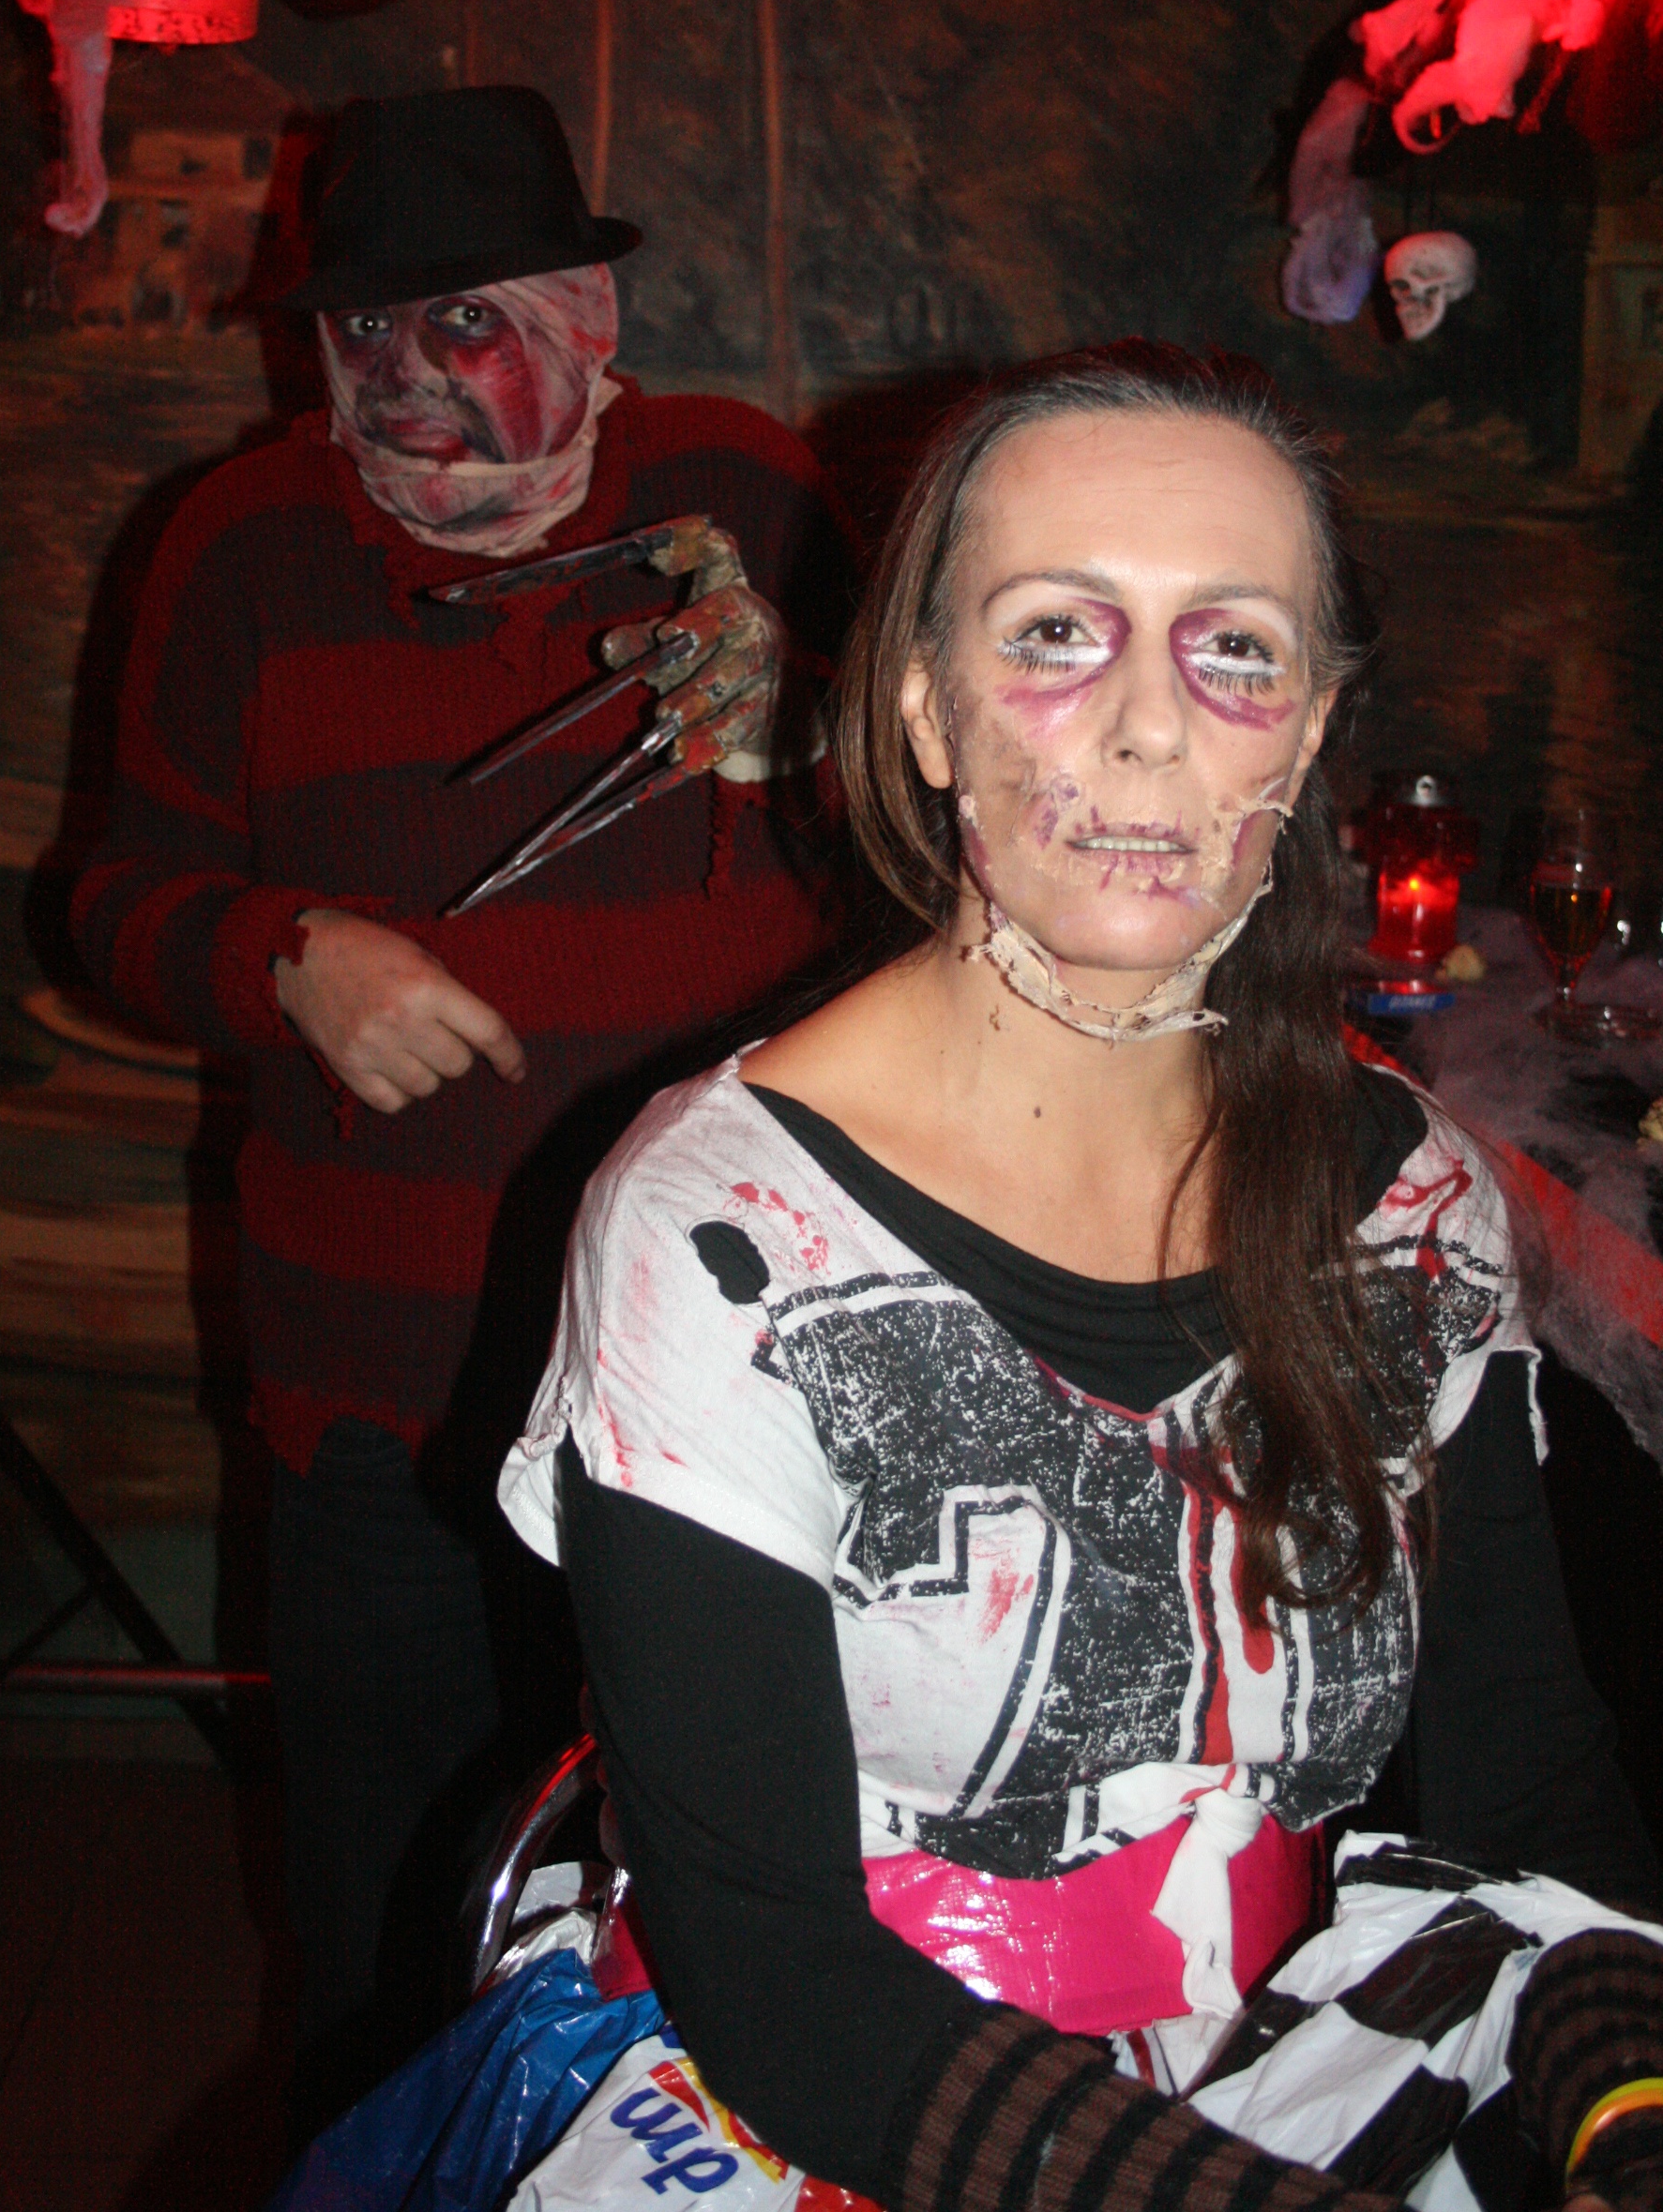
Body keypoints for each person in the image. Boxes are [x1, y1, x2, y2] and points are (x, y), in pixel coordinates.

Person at [500, 344, 1663, 2212]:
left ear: (1305, 732)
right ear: (924, 712)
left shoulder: (1417, 1209)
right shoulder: (720, 1240)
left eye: (1234, 651)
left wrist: (1629, 2109)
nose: (1146, 730)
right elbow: (778, 1975)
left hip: (1278, 2085)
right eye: (1055, 633)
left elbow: (1531, 1796)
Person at [72, 84, 853, 2126]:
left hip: (733, 1397)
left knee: (731, 1937)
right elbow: (113, 896)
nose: (403, 379)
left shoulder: (751, 498)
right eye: (360, 331)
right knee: (388, 1944)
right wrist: (282, 954)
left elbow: (938, 850)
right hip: (383, 1407)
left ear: (592, 322)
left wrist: (822, 729)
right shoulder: (239, 544)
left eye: (468, 325)